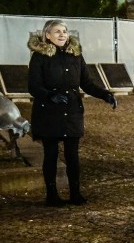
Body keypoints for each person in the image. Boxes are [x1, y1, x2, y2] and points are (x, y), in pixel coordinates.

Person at [27, 20, 117, 206]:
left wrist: (105, 95)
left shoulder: (75, 55)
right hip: (49, 113)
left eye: (65, 31)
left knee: (72, 156)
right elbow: (33, 86)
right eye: (57, 31)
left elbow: (87, 83)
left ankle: (75, 193)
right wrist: (50, 96)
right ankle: (52, 195)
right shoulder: (39, 57)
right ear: (47, 35)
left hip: (72, 111)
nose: (62, 34)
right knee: (51, 154)